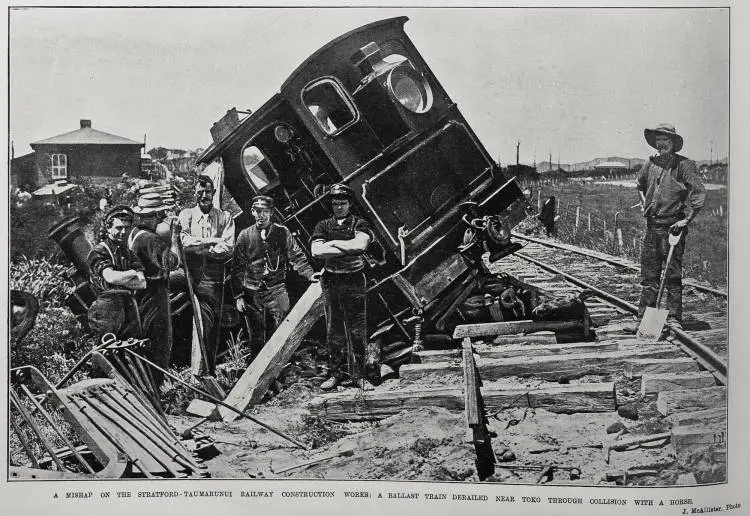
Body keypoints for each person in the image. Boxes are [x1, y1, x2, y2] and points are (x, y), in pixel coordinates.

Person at [88, 199, 181, 384]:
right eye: (118, 228)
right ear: (108, 228)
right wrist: (130, 274)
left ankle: (137, 398)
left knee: (132, 355)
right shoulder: (100, 250)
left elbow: (141, 283)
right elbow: (110, 278)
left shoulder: (127, 251)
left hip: (129, 308)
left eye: (125, 227)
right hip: (108, 310)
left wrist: (125, 278)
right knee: (110, 356)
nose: (122, 231)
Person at [636, 123, 705, 329]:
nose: (662, 144)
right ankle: (643, 320)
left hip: (673, 227)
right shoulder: (649, 165)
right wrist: (644, 205)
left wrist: (686, 220)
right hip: (652, 227)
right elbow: (639, 185)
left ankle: (674, 318)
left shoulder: (684, 165)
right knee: (649, 276)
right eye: (659, 140)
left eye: (666, 140)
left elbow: (699, 193)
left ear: (674, 143)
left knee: (672, 275)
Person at [310, 184, 374, 391]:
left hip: (354, 280)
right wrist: (345, 246)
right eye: (335, 203)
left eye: (343, 203)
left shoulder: (360, 223)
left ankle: (360, 376)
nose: (339, 207)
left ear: (349, 204)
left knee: (357, 330)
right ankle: (335, 374)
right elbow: (316, 252)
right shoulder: (322, 225)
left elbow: (360, 246)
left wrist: (332, 245)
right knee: (333, 331)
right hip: (331, 282)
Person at [231, 195, 315, 353]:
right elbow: (237, 268)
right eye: (257, 211)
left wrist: (310, 274)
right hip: (252, 295)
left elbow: (296, 257)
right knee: (257, 339)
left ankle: (280, 375)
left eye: (265, 211)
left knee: (280, 336)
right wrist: (238, 296)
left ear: (271, 213)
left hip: (277, 291)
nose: (261, 215)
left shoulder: (282, 233)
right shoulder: (244, 235)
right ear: (252, 212)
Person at [173, 175, 235, 373]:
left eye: (208, 191)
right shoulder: (186, 215)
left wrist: (202, 250)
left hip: (213, 276)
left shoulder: (225, 217)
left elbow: (227, 247)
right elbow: (183, 241)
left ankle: (205, 372)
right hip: (190, 272)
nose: (204, 196)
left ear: (214, 193)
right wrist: (210, 242)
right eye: (200, 192)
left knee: (210, 324)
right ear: (195, 193)